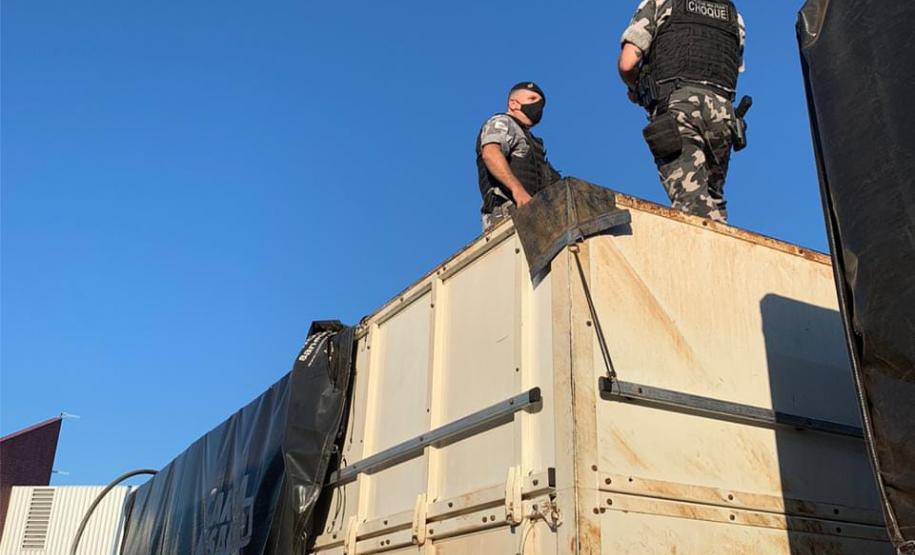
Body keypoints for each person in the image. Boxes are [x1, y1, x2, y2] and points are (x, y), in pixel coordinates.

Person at [618, 0, 746, 223]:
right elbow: (733, 68)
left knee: (692, 204)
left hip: (679, 107)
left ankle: (710, 255)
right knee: (713, 199)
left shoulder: (659, 3)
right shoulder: (733, 14)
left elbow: (628, 63)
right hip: (723, 115)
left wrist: (636, 88)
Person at [476, 82, 562, 231]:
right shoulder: (502, 122)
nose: (539, 105)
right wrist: (518, 190)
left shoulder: (532, 141)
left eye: (542, 103)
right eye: (532, 99)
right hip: (507, 214)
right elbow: (490, 153)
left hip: (534, 217)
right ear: (513, 103)